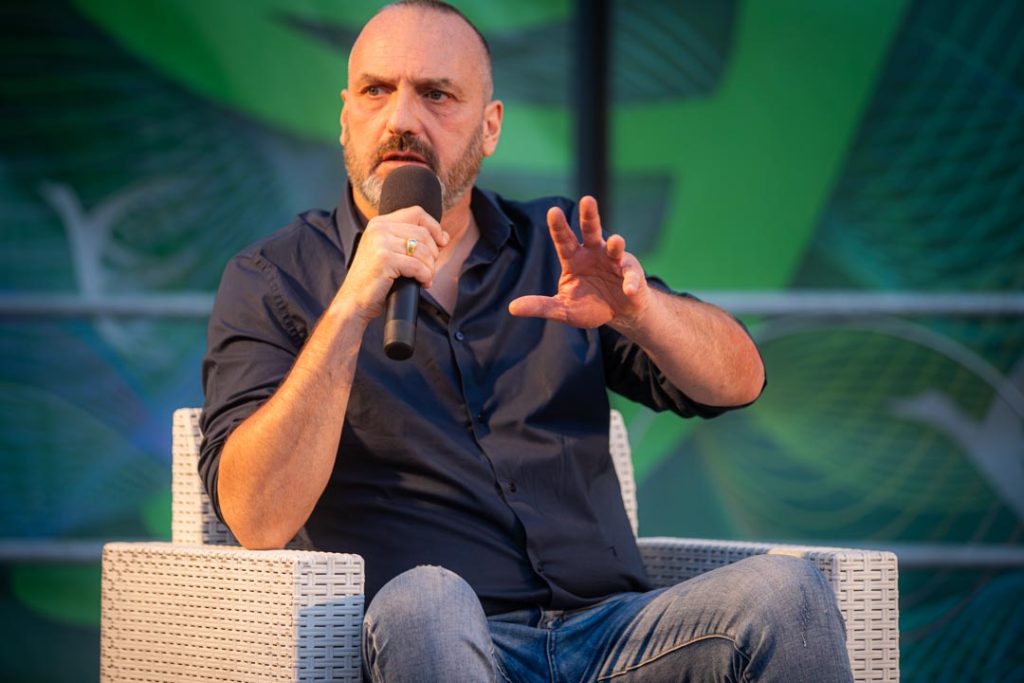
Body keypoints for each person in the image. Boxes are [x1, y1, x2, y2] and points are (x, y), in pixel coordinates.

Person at [199, 1, 853, 680]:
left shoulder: (555, 247)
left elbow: (741, 381)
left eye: (436, 94)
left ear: (490, 127)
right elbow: (257, 517)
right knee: (427, 600)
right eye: (376, 90)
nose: (401, 119)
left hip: (616, 638)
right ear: (345, 117)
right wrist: (349, 312)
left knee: (787, 591)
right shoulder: (273, 278)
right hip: (444, 639)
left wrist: (640, 313)